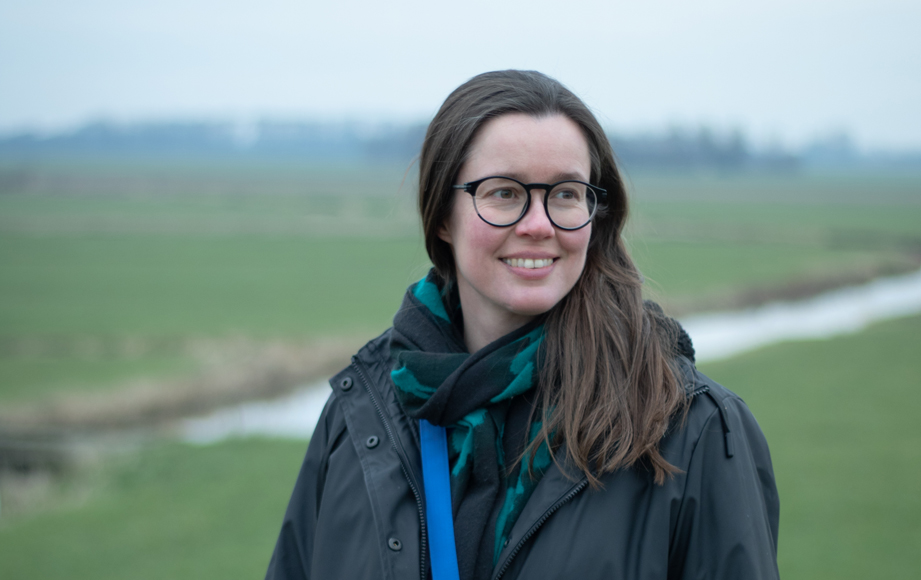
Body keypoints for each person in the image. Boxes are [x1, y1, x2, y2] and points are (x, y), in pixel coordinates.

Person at [265, 70, 779, 580]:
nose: (538, 225)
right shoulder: (363, 414)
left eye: (565, 194)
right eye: (504, 193)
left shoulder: (688, 428)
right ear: (442, 216)